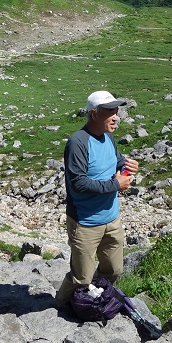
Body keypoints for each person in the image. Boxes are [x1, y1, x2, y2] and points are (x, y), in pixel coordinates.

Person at [54, 89, 139, 309]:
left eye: (116, 111)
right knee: (81, 276)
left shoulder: (108, 138)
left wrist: (127, 166)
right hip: (85, 222)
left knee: (114, 269)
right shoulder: (78, 142)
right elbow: (78, 183)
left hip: (112, 219)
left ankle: (92, 300)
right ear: (94, 114)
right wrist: (115, 185)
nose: (116, 116)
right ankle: (60, 307)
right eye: (110, 111)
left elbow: (117, 162)